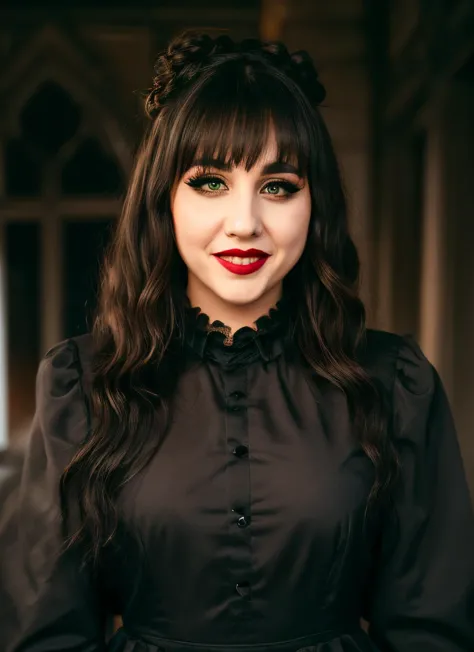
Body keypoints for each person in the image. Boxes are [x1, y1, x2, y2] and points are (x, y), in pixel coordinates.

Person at [1, 31, 473, 652]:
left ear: (316, 203)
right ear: (163, 200)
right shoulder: (81, 384)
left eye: (278, 185)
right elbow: (45, 634)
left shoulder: (395, 384)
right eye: (210, 182)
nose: (245, 222)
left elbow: (432, 631)